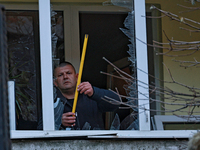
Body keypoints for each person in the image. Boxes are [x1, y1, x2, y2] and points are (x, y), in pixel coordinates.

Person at [37, 61, 119, 130]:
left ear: (77, 77)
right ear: (55, 83)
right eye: (60, 75)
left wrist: (94, 92)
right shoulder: (52, 104)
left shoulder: (90, 96)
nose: (65, 77)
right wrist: (58, 121)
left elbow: (116, 102)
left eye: (69, 73)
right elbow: (40, 130)